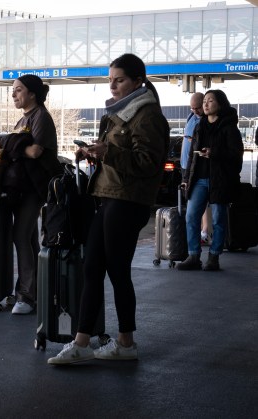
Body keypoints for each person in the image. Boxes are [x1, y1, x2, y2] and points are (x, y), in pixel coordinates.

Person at [48, 53, 169, 364]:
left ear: (138, 81)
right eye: (111, 79)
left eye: (120, 80)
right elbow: (119, 154)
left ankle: (124, 343)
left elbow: (148, 163)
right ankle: (83, 342)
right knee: (94, 269)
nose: (113, 85)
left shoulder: (147, 116)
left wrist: (108, 152)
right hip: (109, 196)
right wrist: (94, 153)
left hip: (128, 200)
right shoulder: (121, 113)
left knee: (116, 271)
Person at [0, 74, 62, 315]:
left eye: (19, 90)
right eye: (13, 90)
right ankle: (31, 290)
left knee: (20, 236)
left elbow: (34, 152)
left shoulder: (41, 117)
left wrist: (11, 145)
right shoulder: (23, 119)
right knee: (29, 239)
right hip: (21, 188)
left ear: (32, 93)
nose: (14, 94)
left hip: (35, 188)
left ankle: (27, 295)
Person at [176, 89, 244, 271]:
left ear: (220, 104)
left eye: (210, 101)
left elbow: (236, 156)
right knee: (191, 216)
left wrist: (214, 153)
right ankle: (193, 255)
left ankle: (214, 257)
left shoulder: (229, 128)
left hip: (219, 180)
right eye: (204, 101)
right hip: (199, 178)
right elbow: (192, 155)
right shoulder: (200, 126)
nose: (206, 104)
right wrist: (185, 177)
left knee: (218, 219)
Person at [180, 93, 210, 244]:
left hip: (197, 167)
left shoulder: (206, 121)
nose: (195, 111)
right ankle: (196, 234)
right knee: (190, 201)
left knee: (201, 202)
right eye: (192, 108)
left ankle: (204, 232)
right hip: (186, 165)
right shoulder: (191, 117)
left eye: (197, 108)